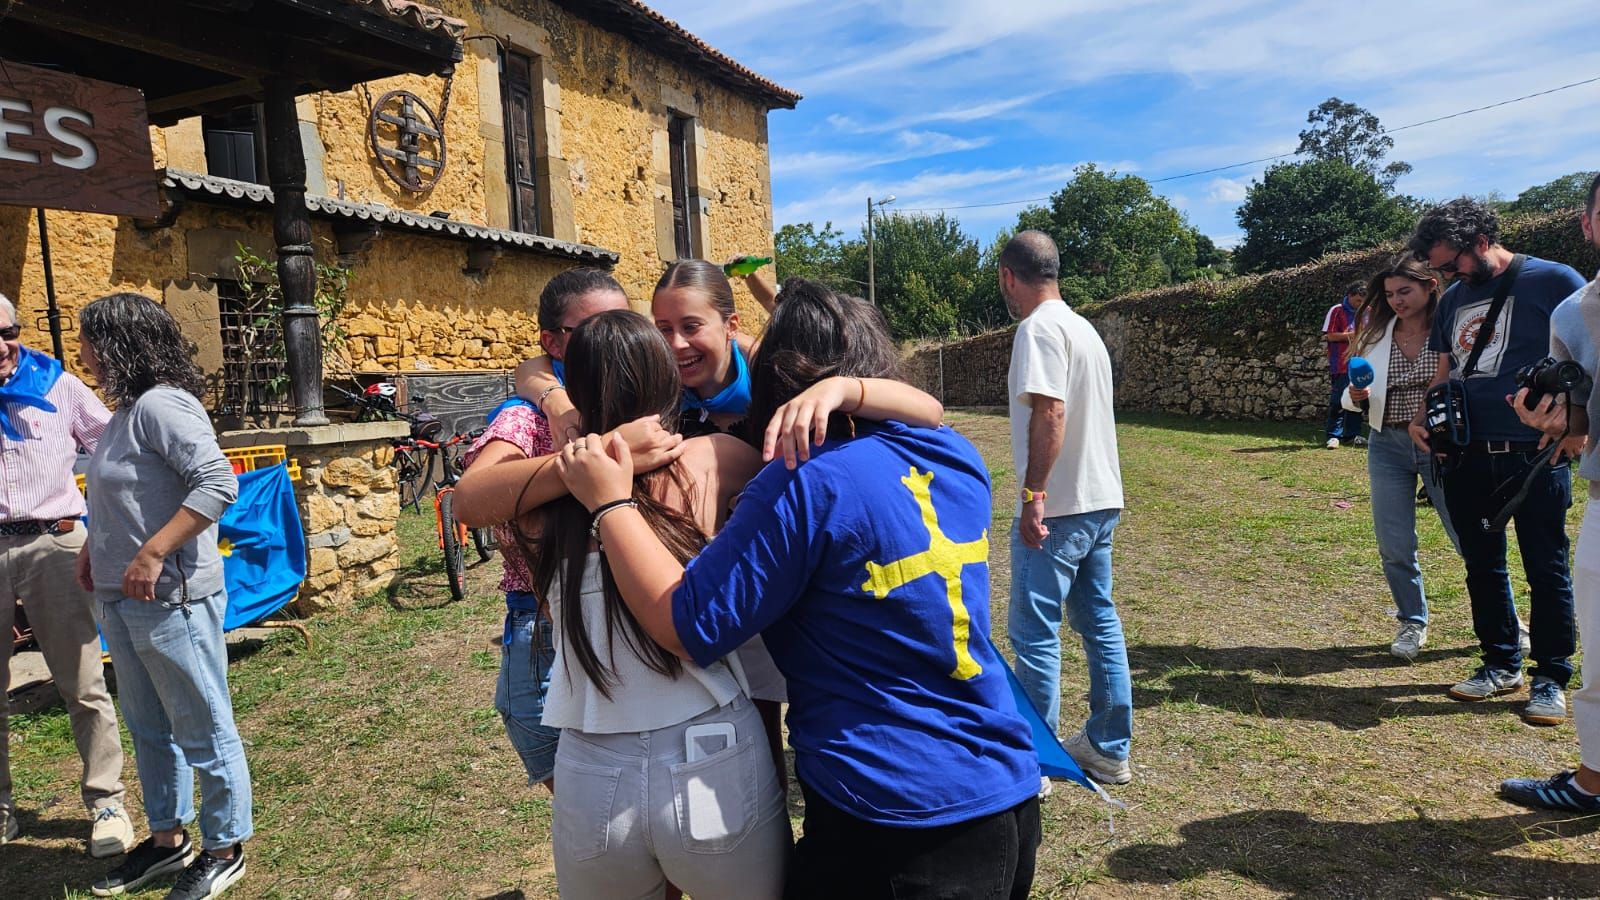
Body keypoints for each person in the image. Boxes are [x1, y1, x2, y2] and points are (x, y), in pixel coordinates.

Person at [558, 280, 1041, 899]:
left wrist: (611, 504)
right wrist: (852, 389)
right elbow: (931, 409)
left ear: (780, 380)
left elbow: (685, 625)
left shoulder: (803, 484)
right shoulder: (955, 453)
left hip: (891, 816)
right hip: (1004, 787)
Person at [511, 310, 795, 898]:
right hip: (709, 744)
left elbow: (472, 499)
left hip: (590, 770)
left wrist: (567, 422)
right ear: (667, 381)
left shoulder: (541, 499)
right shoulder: (714, 459)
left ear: (577, 390)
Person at [76, 293, 251, 900]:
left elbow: (217, 482)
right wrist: (94, 548)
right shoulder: (125, 412)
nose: (82, 354)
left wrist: (152, 553)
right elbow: (123, 496)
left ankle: (225, 847)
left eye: (88, 341)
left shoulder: (163, 406)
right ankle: (167, 842)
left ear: (120, 343)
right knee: (149, 726)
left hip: (171, 596)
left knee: (201, 724)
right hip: (121, 597)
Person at [1407, 198, 1587, 724]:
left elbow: (1589, 357)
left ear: (1481, 240)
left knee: (1545, 565)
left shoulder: (1555, 281)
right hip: (1466, 451)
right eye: (1438, 267)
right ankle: (1500, 663)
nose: (1445, 275)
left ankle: (1551, 676)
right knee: (1481, 565)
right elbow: (1448, 367)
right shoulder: (1454, 299)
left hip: (1535, 454)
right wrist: (1423, 416)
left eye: (1451, 262)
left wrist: (1579, 428)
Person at [998, 230, 1132, 789]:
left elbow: (1050, 414)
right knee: (1098, 620)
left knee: (1034, 632)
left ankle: (1035, 761)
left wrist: (1034, 497)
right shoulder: (1083, 329)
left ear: (1009, 276)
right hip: (1101, 497)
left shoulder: (1038, 329)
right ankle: (1107, 747)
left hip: (1062, 506)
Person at [0, 293, 132, 856]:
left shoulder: (58, 385)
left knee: (82, 683)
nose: (0, 346)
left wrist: (100, 524)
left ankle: (107, 803)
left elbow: (114, 446)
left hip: (54, 543)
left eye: (6, 331)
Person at [1499, 172, 1600, 812]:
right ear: (1589, 224)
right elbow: (1584, 416)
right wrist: (1561, 421)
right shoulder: (1574, 311)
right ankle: (1594, 782)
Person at [1342, 257, 1462, 661]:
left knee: (1469, 538)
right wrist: (1355, 397)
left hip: (1442, 445)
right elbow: (1354, 394)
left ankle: (1504, 622)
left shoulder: (1453, 330)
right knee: (1394, 544)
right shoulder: (1376, 335)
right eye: (1390, 294)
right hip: (1386, 443)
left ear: (1430, 286)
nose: (1396, 300)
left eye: (1404, 291)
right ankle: (1412, 620)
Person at [1323, 281, 1368, 449]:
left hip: (1361, 363)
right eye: (1358, 301)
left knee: (1357, 399)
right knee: (1338, 400)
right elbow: (1331, 336)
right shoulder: (1337, 310)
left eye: (1364, 301)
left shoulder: (1367, 311)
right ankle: (1333, 435)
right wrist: (1354, 335)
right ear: (1350, 296)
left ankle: (1352, 435)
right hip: (1341, 363)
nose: (1361, 305)